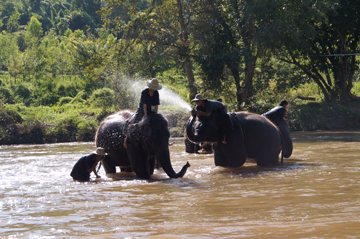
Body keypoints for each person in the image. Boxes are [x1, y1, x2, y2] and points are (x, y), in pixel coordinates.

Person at [124, 78, 162, 149]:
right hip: (142, 111)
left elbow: (156, 104)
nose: (154, 89)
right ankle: (126, 140)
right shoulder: (144, 92)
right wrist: (145, 115)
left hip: (152, 110)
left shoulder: (156, 93)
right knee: (134, 123)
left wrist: (155, 114)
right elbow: (144, 104)